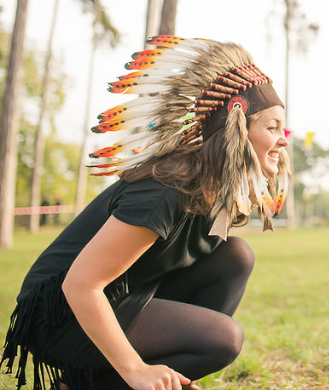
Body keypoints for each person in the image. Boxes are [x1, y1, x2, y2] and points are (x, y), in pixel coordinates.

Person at [1, 36, 290, 390]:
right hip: (61, 315)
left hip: (125, 292)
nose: (284, 139)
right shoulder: (165, 191)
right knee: (223, 339)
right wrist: (136, 370)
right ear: (236, 130)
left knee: (236, 255)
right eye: (272, 127)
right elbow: (80, 285)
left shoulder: (212, 189)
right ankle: (89, 384)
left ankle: (153, 378)